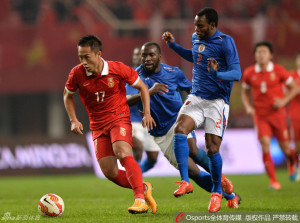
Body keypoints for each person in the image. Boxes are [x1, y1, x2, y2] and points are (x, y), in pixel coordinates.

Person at [127, 42, 241, 212]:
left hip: (178, 119)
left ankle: (220, 181)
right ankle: (230, 195)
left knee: (193, 149)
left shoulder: (173, 73)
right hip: (160, 134)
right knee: (194, 172)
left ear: (159, 56)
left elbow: (193, 90)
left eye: (151, 55)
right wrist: (149, 92)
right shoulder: (135, 76)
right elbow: (126, 100)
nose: (147, 59)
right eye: (144, 56)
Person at [63, 35, 157, 214]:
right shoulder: (76, 73)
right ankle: (143, 188)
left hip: (119, 118)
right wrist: (73, 120)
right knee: (110, 172)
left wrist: (146, 113)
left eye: (87, 57)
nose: (83, 61)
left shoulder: (118, 69)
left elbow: (143, 88)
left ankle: (139, 200)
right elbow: (67, 96)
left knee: (122, 152)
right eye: (80, 57)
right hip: (97, 126)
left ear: (99, 54)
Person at [162, 7, 242, 213]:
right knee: (180, 130)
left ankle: (217, 192)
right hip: (196, 97)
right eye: (195, 24)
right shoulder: (195, 38)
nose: (196, 28)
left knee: (212, 148)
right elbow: (194, 55)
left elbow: (237, 73)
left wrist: (218, 74)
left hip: (217, 102)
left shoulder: (225, 42)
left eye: (201, 25)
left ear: (213, 26)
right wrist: (173, 46)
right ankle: (185, 181)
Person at [241, 41, 298, 190]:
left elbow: (295, 88)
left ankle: (292, 163)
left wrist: (284, 100)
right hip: (260, 116)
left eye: (264, 52)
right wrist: (248, 106)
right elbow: (245, 92)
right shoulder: (249, 72)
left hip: (278, 115)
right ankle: (274, 181)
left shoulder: (279, 70)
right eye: (258, 52)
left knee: (285, 148)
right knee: (265, 145)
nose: (261, 55)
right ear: (255, 55)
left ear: (271, 55)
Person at [126, 47, 161, 173]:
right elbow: (127, 99)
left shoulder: (156, 75)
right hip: (132, 120)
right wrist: (148, 93)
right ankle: (136, 181)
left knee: (152, 159)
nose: (137, 57)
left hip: (150, 122)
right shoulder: (129, 76)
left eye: (140, 55)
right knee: (138, 147)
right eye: (135, 55)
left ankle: (135, 174)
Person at [288, 51, 300, 181]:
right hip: (295, 115)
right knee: (297, 146)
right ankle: (294, 166)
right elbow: (284, 90)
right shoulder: (291, 76)